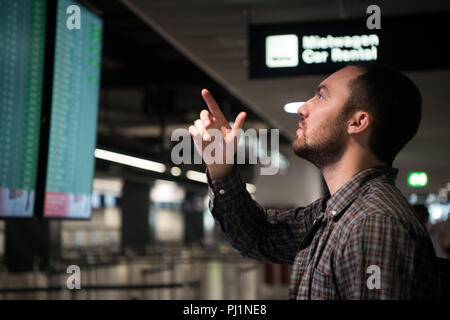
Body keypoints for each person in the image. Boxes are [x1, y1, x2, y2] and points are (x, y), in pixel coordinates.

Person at [189, 62, 440, 299]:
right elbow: (256, 236)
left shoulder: (373, 223)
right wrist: (220, 168)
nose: (302, 108)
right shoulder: (335, 213)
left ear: (358, 122)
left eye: (321, 96)